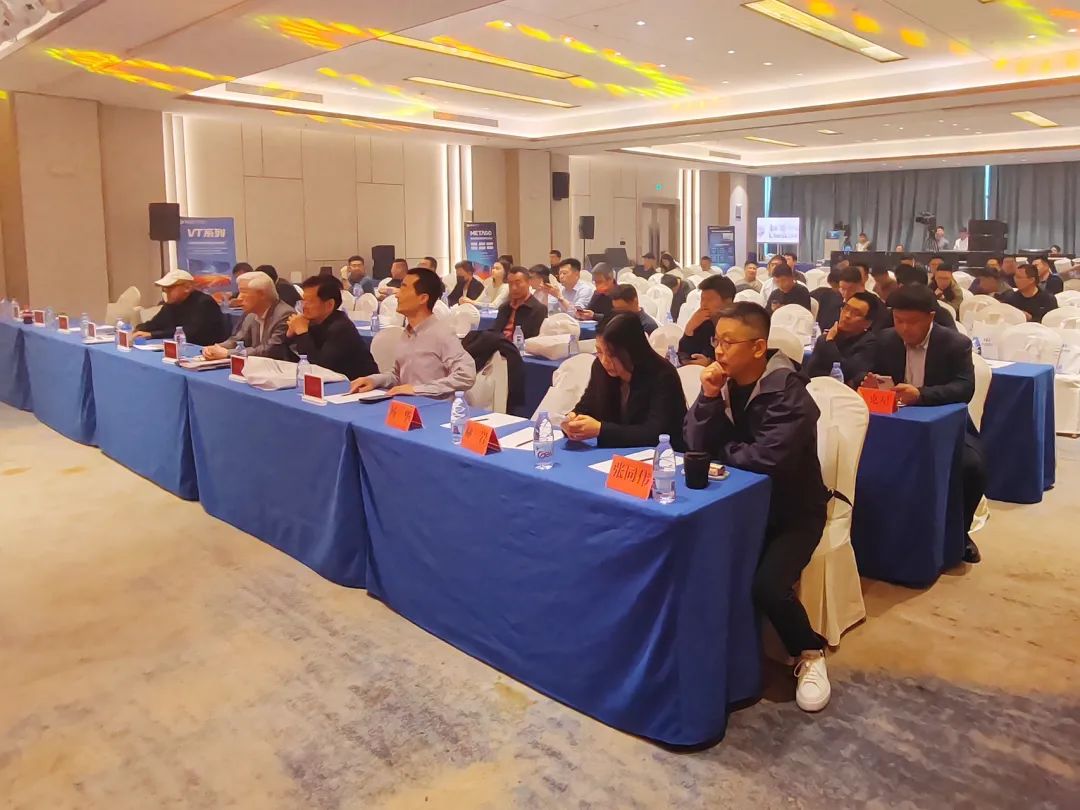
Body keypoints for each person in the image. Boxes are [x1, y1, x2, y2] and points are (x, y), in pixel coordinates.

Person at [684, 302, 831, 712]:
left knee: (767, 585)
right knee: (695, 561)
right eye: (716, 340)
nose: (719, 350)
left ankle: (809, 652)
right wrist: (708, 397)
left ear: (758, 347)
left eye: (729, 342)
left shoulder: (789, 393)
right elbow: (692, 442)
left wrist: (720, 452)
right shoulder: (722, 383)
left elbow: (768, 460)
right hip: (735, 508)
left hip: (791, 513)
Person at [866, 284, 985, 564]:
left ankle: (961, 533)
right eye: (898, 320)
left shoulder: (954, 343)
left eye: (912, 322)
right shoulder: (885, 340)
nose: (904, 328)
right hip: (893, 424)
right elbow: (861, 367)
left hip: (945, 425)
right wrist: (867, 380)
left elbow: (964, 388)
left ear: (930, 317)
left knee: (972, 467)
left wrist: (921, 395)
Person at [562, 313, 686, 449]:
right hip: (613, 453)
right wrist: (571, 420)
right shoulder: (599, 367)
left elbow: (654, 433)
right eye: (599, 351)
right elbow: (586, 406)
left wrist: (601, 429)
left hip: (661, 454)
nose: (604, 361)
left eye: (611, 354)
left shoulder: (663, 374)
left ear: (632, 350)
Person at [349, 268, 476, 397]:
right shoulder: (407, 333)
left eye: (403, 289)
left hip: (432, 406)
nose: (397, 295)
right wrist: (374, 380)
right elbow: (397, 376)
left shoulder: (442, 333)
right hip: (406, 405)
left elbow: (466, 375)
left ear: (423, 298)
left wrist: (418, 389)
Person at [278, 276, 377, 380]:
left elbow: (321, 368)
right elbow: (290, 363)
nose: (304, 306)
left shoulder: (341, 328)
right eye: (303, 301)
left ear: (329, 305)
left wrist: (302, 333)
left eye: (310, 301)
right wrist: (289, 336)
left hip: (359, 385)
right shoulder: (310, 322)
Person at [202, 272, 293, 359]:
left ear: (261, 294)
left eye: (244, 292)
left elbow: (270, 350)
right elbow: (237, 340)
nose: (239, 297)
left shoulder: (285, 314)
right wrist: (216, 348)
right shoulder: (251, 314)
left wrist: (227, 353)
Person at [133, 269, 230, 346]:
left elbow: (190, 332)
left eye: (170, 288)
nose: (166, 291)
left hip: (204, 349)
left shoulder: (204, 303)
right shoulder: (171, 304)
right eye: (165, 289)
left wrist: (152, 335)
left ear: (187, 288)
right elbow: (155, 323)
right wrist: (138, 329)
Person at [804, 292, 879, 386]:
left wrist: (830, 342)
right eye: (846, 309)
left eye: (856, 313)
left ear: (867, 323)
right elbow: (810, 373)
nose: (847, 315)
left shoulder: (869, 343)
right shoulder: (825, 339)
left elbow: (847, 372)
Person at [678, 275, 736, 366]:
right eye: (702, 299)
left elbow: (738, 364)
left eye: (709, 300)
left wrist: (710, 364)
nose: (703, 304)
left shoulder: (739, 327)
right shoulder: (704, 322)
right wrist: (689, 329)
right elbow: (683, 356)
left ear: (728, 302)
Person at [490, 265, 547, 341]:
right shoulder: (504, 307)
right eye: (510, 284)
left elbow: (533, 340)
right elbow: (495, 332)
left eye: (518, 283)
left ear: (528, 282)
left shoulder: (539, 309)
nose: (514, 288)